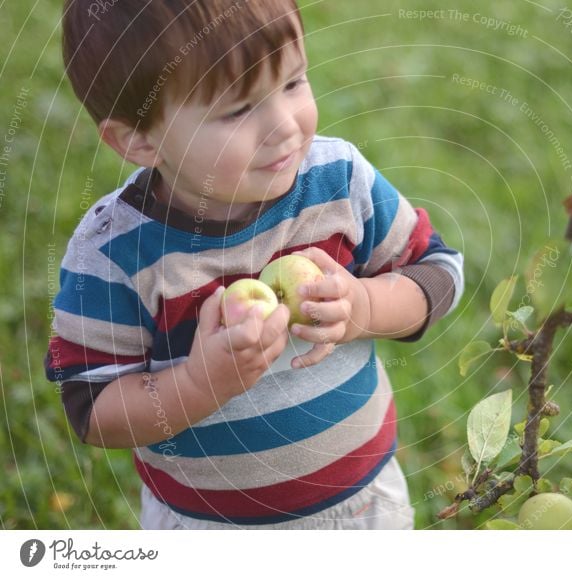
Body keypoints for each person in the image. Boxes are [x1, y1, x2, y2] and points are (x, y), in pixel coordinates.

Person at [45, 0, 464, 530]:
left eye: (293, 83)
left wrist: (364, 306)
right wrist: (201, 383)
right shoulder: (114, 252)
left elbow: (438, 271)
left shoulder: (338, 182)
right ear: (139, 139)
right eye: (238, 110)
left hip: (364, 511)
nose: (284, 126)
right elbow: (92, 408)